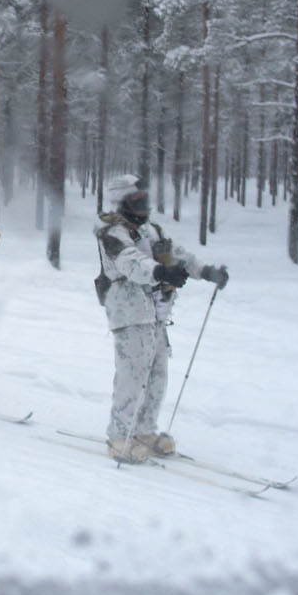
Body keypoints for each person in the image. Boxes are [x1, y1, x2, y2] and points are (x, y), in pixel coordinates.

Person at [93, 173, 229, 462]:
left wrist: (204, 271)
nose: (143, 206)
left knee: (157, 374)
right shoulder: (110, 232)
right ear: (121, 202)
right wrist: (159, 272)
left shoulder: (150, 230)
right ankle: (119, 436)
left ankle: (144, 431)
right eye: (136, 201)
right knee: (132, 375)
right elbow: (130, 262)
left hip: (156, 311)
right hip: (129, 311)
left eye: (145, 200)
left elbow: (176, 254)